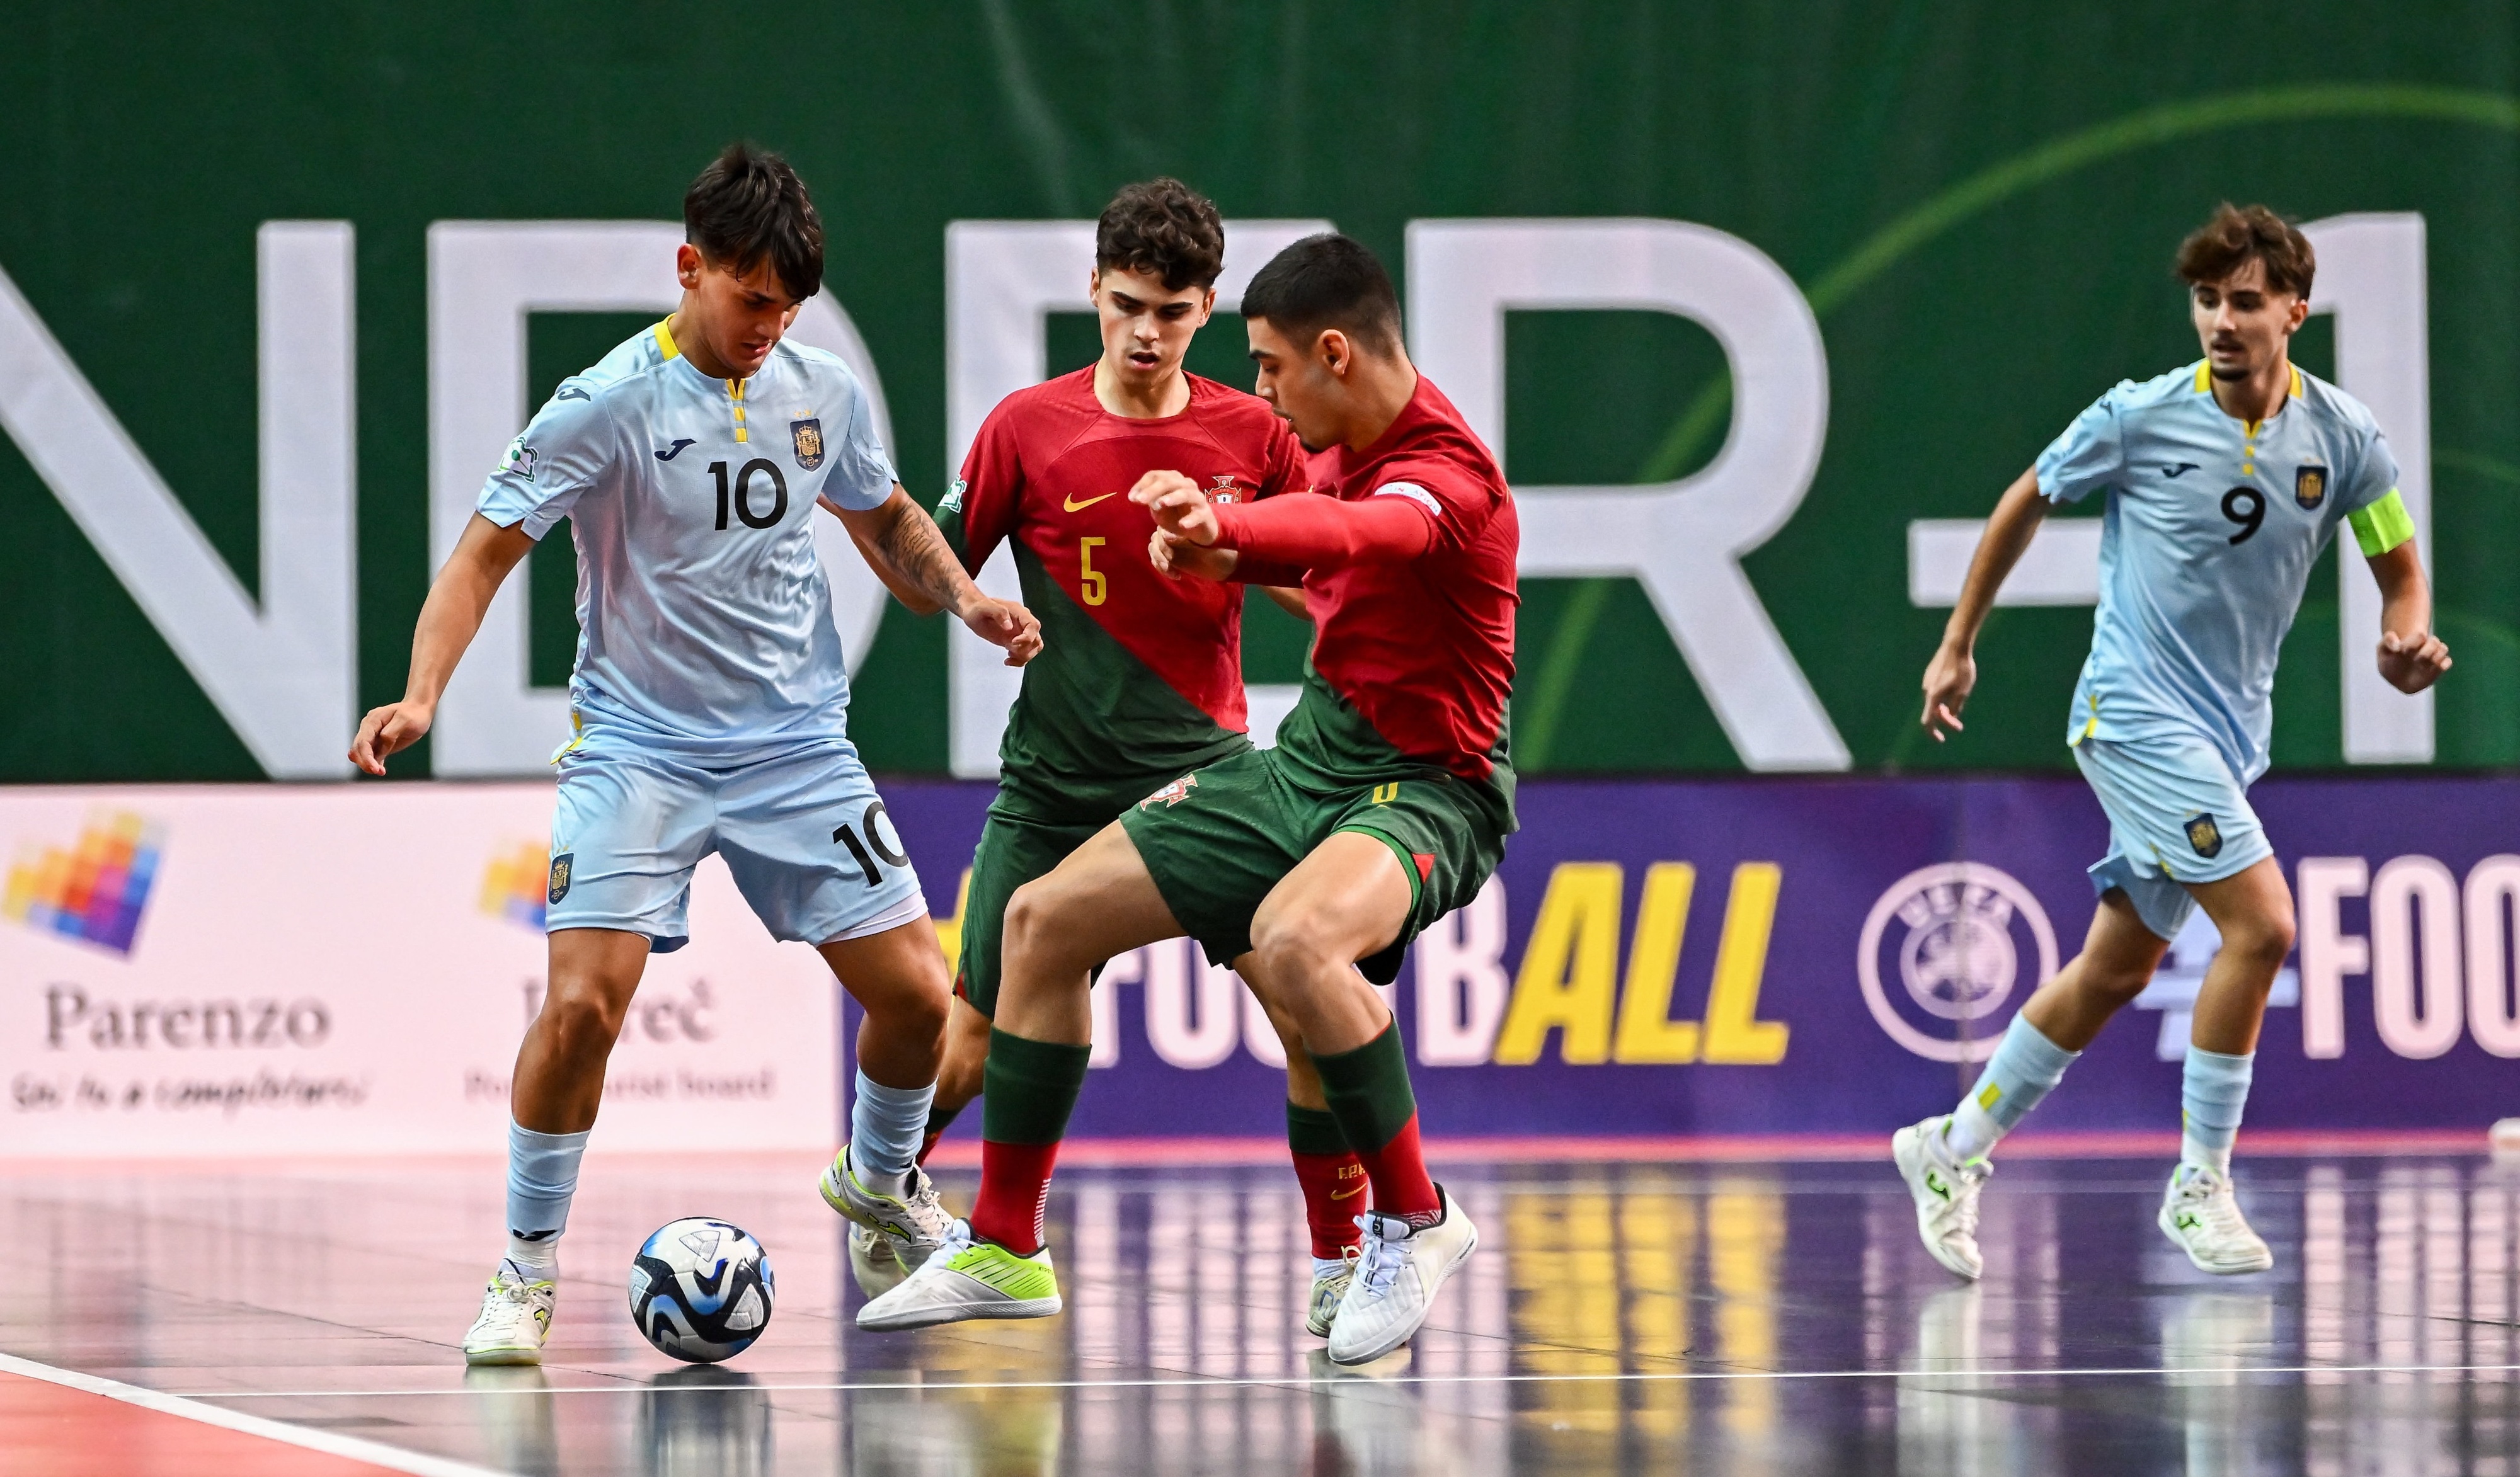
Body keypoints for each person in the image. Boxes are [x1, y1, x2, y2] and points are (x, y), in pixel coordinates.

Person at [348, 144, 1041, 1365]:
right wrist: (419, 694)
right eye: (751, 298)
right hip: (640, 752)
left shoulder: (820, 390)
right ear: (692, 269)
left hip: (795, 752)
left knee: (918, 1003)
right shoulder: (607, 402)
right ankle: (522, 1273)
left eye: (788, 306)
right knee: (580, 1012)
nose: (770, 326)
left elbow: (884, 518)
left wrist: (967, 599)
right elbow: (479, 557)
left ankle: (880, 1191)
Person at [858, 232, 1519, 1368]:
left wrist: (1230, 525)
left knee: (1299, 943)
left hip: (1430, 790)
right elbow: (1308, 548)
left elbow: (1360, 532)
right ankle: (1008, 1246)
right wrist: (1221, 561)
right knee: (1037, 925)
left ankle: (1415, 1219)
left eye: (1267, 366)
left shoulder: (1443, 476)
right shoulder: (1331, 441)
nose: (1255, 391)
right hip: (1308, 760)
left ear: (1331, 354)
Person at [1896, 203, 2451, 1279]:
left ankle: (1950, 1147)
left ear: (2296, 310)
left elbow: (2397, 563)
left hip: (2230, 733)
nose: (2223, 321)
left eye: (2246, 302)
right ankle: (2200, 1183)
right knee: (2265, 928)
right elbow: (2024, 500)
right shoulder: (2138, 418)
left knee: (2113, 970)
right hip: (2133, 715)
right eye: (2208, 301)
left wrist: (2403, 637)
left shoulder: (2345, 439)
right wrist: (1959, 643)